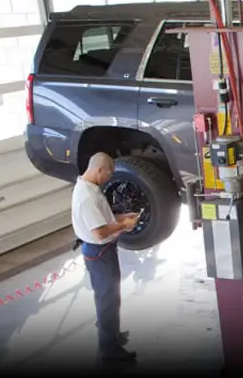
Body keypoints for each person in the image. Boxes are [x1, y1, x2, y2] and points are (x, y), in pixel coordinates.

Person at [71, 152, 140, 362]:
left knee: (106, 296)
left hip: (100, 252)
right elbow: (99, 232)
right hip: (99, 253)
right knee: (108, 299)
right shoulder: (86, 198)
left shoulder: (89, 188)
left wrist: (120, 218)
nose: (108, 179)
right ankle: (109, 350)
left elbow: (101, 219)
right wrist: (124, 225)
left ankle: (112, 335)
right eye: (107, 175)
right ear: (98, 169)